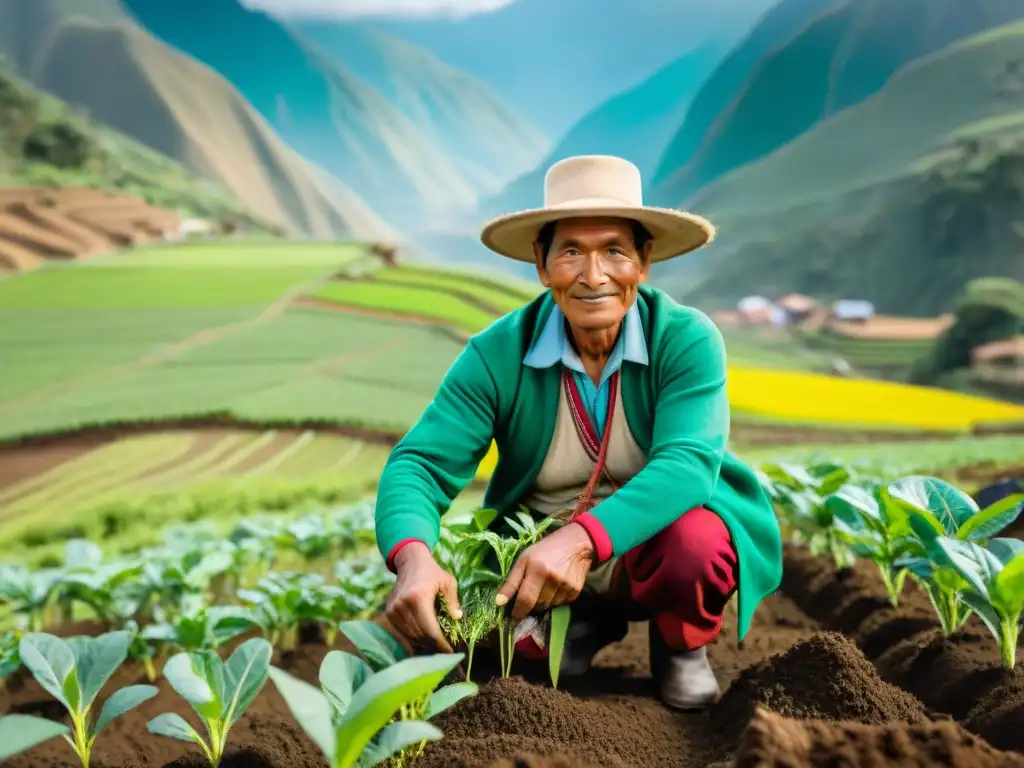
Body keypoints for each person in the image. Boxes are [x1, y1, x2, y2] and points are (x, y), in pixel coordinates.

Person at [374, 155, 783, 710]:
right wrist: (413, 557)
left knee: (698, 544)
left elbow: (687, 466)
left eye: (615, 250)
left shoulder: (685, 340)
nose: (594, 276)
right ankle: (582, 627)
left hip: (649, 547)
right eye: (570, 252)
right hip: (537, 561)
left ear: (645, 262)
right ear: (542, 266)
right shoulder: (496, 355)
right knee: (491, 661)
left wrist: (582, 541)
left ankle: (680, 645)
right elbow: (419, 464)